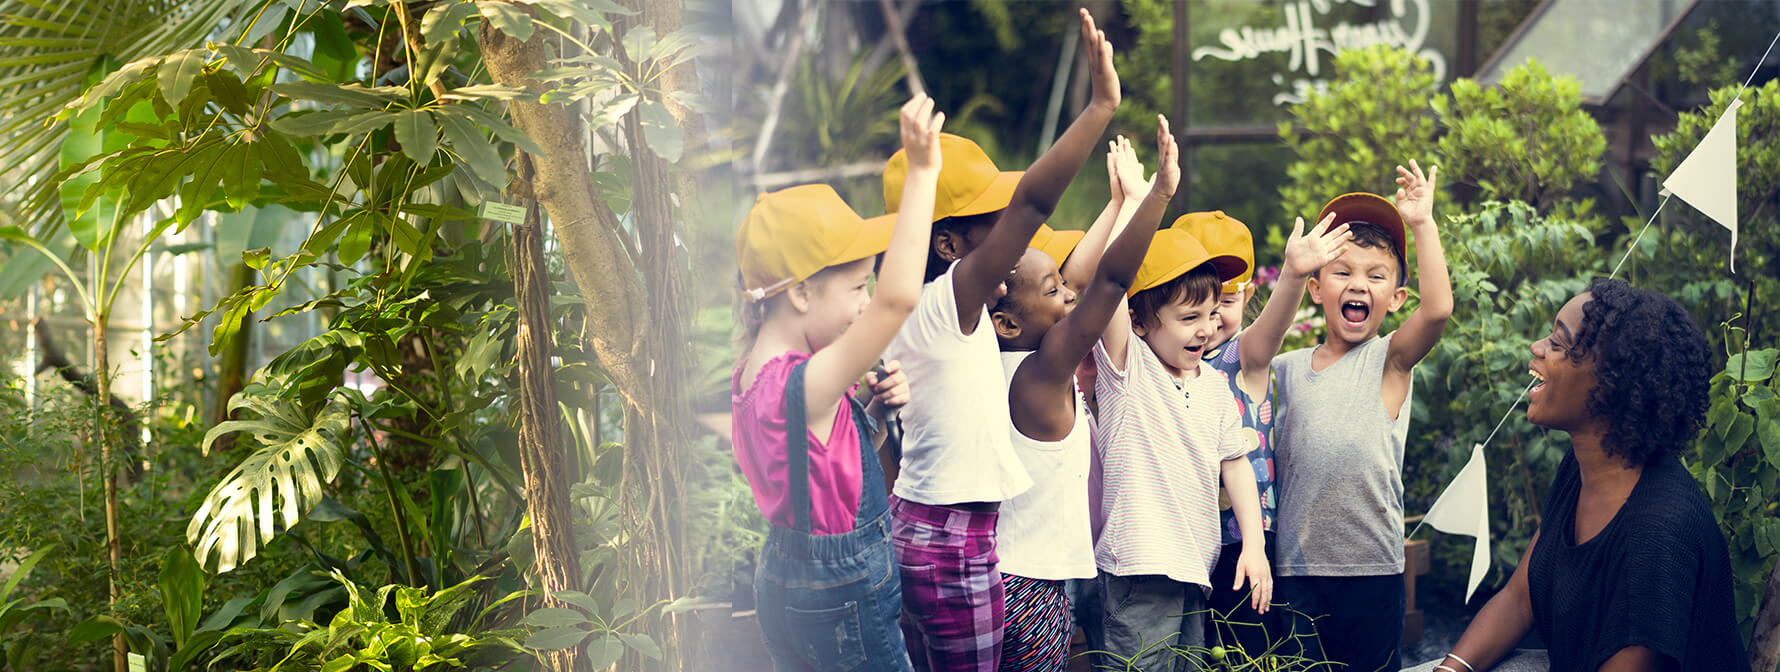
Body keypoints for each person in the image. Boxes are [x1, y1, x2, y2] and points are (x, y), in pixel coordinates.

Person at [879, 10, 1121, 671]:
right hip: (951, 541)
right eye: (996, 222)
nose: (1018, 237)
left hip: (944, 530)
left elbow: (1069, 279)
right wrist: (1098, 109)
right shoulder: (948, 303)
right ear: (949, 245)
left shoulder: (953, 313)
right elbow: (1035, 205)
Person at [1432, 279, 1749, 672]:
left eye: (1557, 343)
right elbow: (1519, 599)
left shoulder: (1658, 534)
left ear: (1612, 383)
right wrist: (1450, 670)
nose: (1536, 348)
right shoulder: (1583, 469)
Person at [731, 95, 945, 672]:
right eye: (856, 288)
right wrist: (922, 172)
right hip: (841, 592)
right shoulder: (807, 382)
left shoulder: (752, 372)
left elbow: (818, 470)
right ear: (801, 292)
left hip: (783, 581)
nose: (866, 303)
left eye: (867, 286)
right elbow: (897, 300)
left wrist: (868, 411)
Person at [988, 118, 1175, 672]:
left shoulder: (1014, 354)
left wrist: (1118, 204)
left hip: (1022, 571)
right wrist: (1155, 198)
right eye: (1056, 292)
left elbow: (1073, 277)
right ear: (1008, 322)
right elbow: (1109, 284)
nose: (1069, 294)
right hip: (1030, 582)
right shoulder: (1041, 374)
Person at [1270, 161, 1451, 671]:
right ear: (1316, 288)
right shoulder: (1285, 370)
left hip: (1373, 570)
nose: (1358, 284)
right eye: (1343, 271)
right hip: (1297, 573)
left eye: (1375, 276)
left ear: (1395, 298)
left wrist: (1422, 223)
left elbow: (1438, 310)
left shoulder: (1390, 360)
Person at [1170, 207, 1350, 659]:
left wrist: (1293, 274)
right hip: (1182, 539)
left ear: (1248, 294)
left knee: (1246, 652)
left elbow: (1272, 327)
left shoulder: (1243, 356)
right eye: (1195, 307)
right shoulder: (1163, 362)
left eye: (1225, 304)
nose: (1211, 321)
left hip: (1242, 542)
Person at [1091, 220, 1272, 671]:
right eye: (1189, 318)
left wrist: (1253, 545)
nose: (1206, 329)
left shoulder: (1213, 386)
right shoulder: (1128, 368)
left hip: (1194, 571)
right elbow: (1111, 279)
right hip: (1140, 569)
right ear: (1138, 321)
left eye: (1211, 314)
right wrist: (1137, 204)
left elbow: (1235, 464)